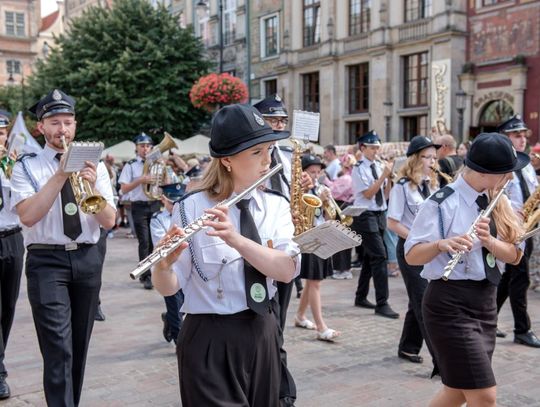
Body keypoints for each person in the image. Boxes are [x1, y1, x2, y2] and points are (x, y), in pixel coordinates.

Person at [151, 103, 299, 406]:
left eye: (269, 150)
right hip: (209, 338)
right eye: (256, 152)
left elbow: (286, 271)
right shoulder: (190, 207)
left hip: (263, 332)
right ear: (227, 160)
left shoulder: (276, 205)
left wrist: (237, 240)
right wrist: (163, 267)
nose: (268, 160)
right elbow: (170, 286)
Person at [10, 89, 116, 406]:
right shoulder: (25, 166)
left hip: (87, 258)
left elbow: (109, 220)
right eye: (55, 123)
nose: (62, 130)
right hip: (46, 261)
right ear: (41, 127)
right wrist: (60, 175)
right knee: (58, 348)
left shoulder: (96, 166)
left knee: (79, 347)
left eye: (68, 122)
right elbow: (28, 216)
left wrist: (93, 184)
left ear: (75, 125)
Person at [405, 132, 527, 407]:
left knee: (458, 391)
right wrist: (441, 244)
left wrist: (489, 241)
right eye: (506, 172)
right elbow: (411, 255)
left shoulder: (498, 199)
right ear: (485, 173)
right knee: (484, 395)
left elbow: (515, 255)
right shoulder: (441, 202)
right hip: (449, 304)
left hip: (485, 302)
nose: (510, 177)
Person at [254, 93, 311, 407]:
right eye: (272, 119)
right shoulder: (251, 158)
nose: (278, 125)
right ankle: (280, 387)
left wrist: (304, 188)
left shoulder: (287, 156)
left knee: (280, 317)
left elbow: (293, 196)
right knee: (269, 320)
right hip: (260, 242)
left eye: (282, 120)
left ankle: (277, 381)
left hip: (286, 240)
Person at [387, 135, 440, 364]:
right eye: (426, 157)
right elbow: (392, 223)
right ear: (415, 159)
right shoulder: (402, 186)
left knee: (417, 300)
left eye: (434, 157)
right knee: (424, 302)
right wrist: (416, 240)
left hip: (431, 249)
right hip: (410, 249)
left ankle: (408, 347)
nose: (432, 162)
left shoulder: (433, 184)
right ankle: (442, 361)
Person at [495, 115, 540, 347]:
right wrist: (512, 215)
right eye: (516, 135)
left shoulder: (527, 165)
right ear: (505, 138)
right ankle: (522, 329)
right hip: (511, 228)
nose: (522, 139)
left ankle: (488, 318)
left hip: (527, 226)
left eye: (524, 135)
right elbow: (495, 197)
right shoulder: (500, 165)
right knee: (520, 279)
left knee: (509, 277)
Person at [351, 130, 399, 319]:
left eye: (377, 148)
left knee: (369, 258)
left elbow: (384, 195)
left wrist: (390, 179)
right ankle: (382, 303)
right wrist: (383, 177)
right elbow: (368, 194)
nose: (376, 151)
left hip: (379, 213)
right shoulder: (358, 168)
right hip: (365, 214)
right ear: (362, 148)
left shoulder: (379, 166)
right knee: (380, 256)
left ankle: (360, 296)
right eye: (372, 148)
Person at [294, 154, 340, 341]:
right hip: (309, 238)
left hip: (321, 236)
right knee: (315, 282)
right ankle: (321, 327)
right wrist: (318, 199)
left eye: (318, 172)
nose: (315, 176)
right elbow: (305, 218)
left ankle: (300, 316)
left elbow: (328, 218)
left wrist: (327, 202)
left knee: (312, 281)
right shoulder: (299, 192)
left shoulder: (319, 189)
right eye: (311, 172)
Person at [0, 110, 24, 399]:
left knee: (8, 307)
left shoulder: (16, 164)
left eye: (1, 133)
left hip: (12, 237)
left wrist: (13, 170)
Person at [118, 133, 161, 289]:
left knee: (156, 241)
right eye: (142, 146)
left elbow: (164, 183)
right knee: (144, 242)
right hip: (139, 206)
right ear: (136, 148)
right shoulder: (130, 165)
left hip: (155, 204)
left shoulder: (156, 163)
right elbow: (123, 189)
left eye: (148, 146)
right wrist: (140, 180)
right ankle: (145, 275)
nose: (145, 149)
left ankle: (156, 272)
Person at [150, 183, 185, 345]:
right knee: (176, 308)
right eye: (172, 202)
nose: (175, 205)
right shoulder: (158, 219)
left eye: (178, 202)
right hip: (170, 269)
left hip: (186, 268)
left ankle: (169, 319)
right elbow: (162, 244)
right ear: (163, 200)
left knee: (185, 306)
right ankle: (179, 344)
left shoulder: (187, 212)